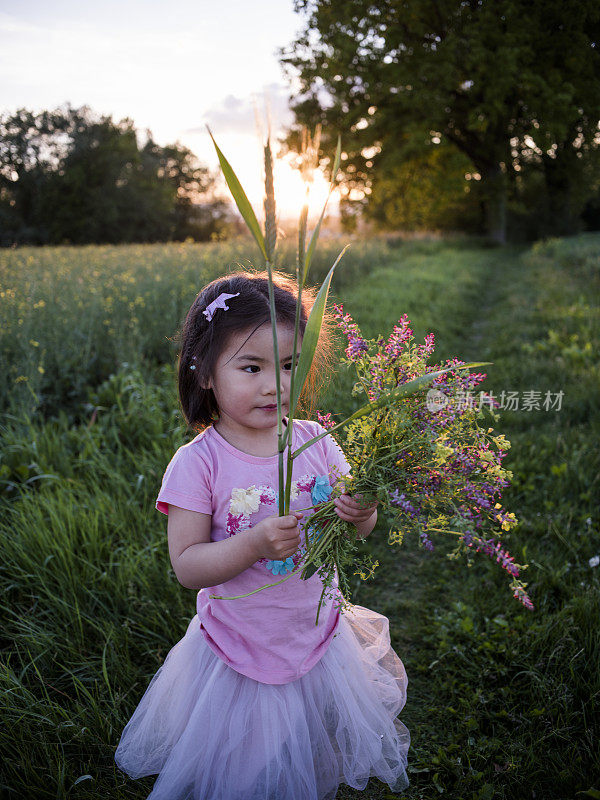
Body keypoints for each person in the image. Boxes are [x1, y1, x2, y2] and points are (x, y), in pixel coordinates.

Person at [114, 270, 410, 800]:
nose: (275, 385)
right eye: (251, 367)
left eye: (290, 365)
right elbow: (186, 565)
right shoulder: (198, 463)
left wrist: (360, 511)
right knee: (246, 769)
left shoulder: (316, 440)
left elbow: (360, 530)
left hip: (318, 635)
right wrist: (251, 544)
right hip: (239, 649)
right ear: (204, 372)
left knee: (309, 750)